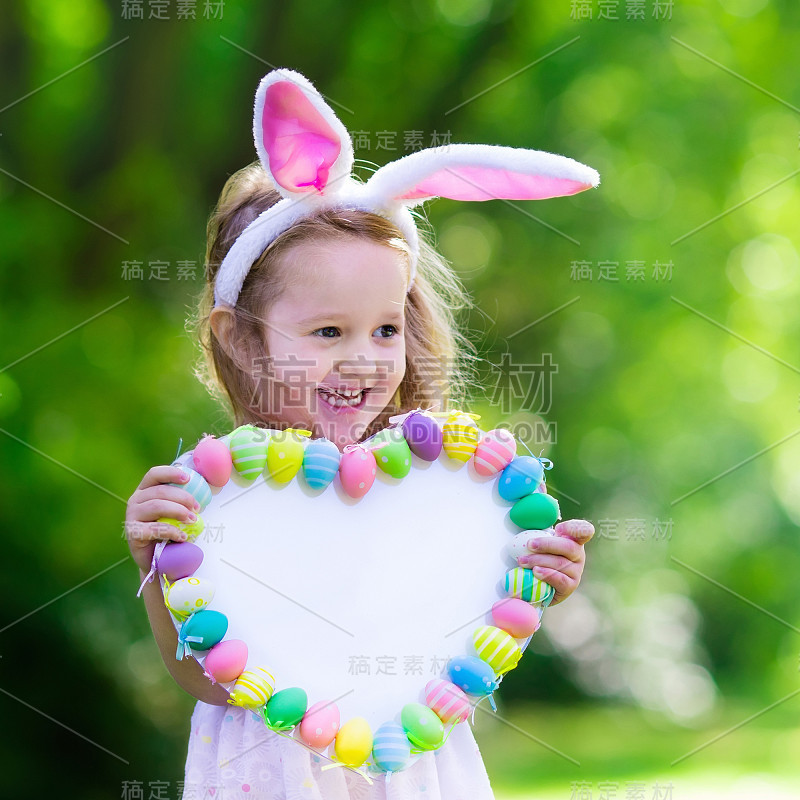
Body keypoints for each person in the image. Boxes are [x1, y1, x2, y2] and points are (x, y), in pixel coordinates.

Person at [125, 69, 598, 799]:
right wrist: (157, 570)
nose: (362, 357)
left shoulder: (442, 487)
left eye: (384, 329)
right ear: (244, 340)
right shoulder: (214, 500)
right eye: (326, 330)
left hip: (412, 771)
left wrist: (530, 579)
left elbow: (443, 643)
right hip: (267, 776)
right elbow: (210, 681)